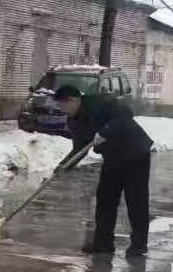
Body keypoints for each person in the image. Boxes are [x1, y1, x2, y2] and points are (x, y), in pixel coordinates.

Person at [55, 83, 153, 259]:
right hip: (112, 156)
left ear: (74, 100)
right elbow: (79, 148)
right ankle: (103, 244)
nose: (62, 109)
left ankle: (139, 245)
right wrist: (64, 166)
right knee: (105, 200)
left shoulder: (99, 103)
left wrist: (105, 131)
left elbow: (125, 115)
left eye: (63, 105)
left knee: (135, 200)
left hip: (135, 152)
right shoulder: (74, 121)